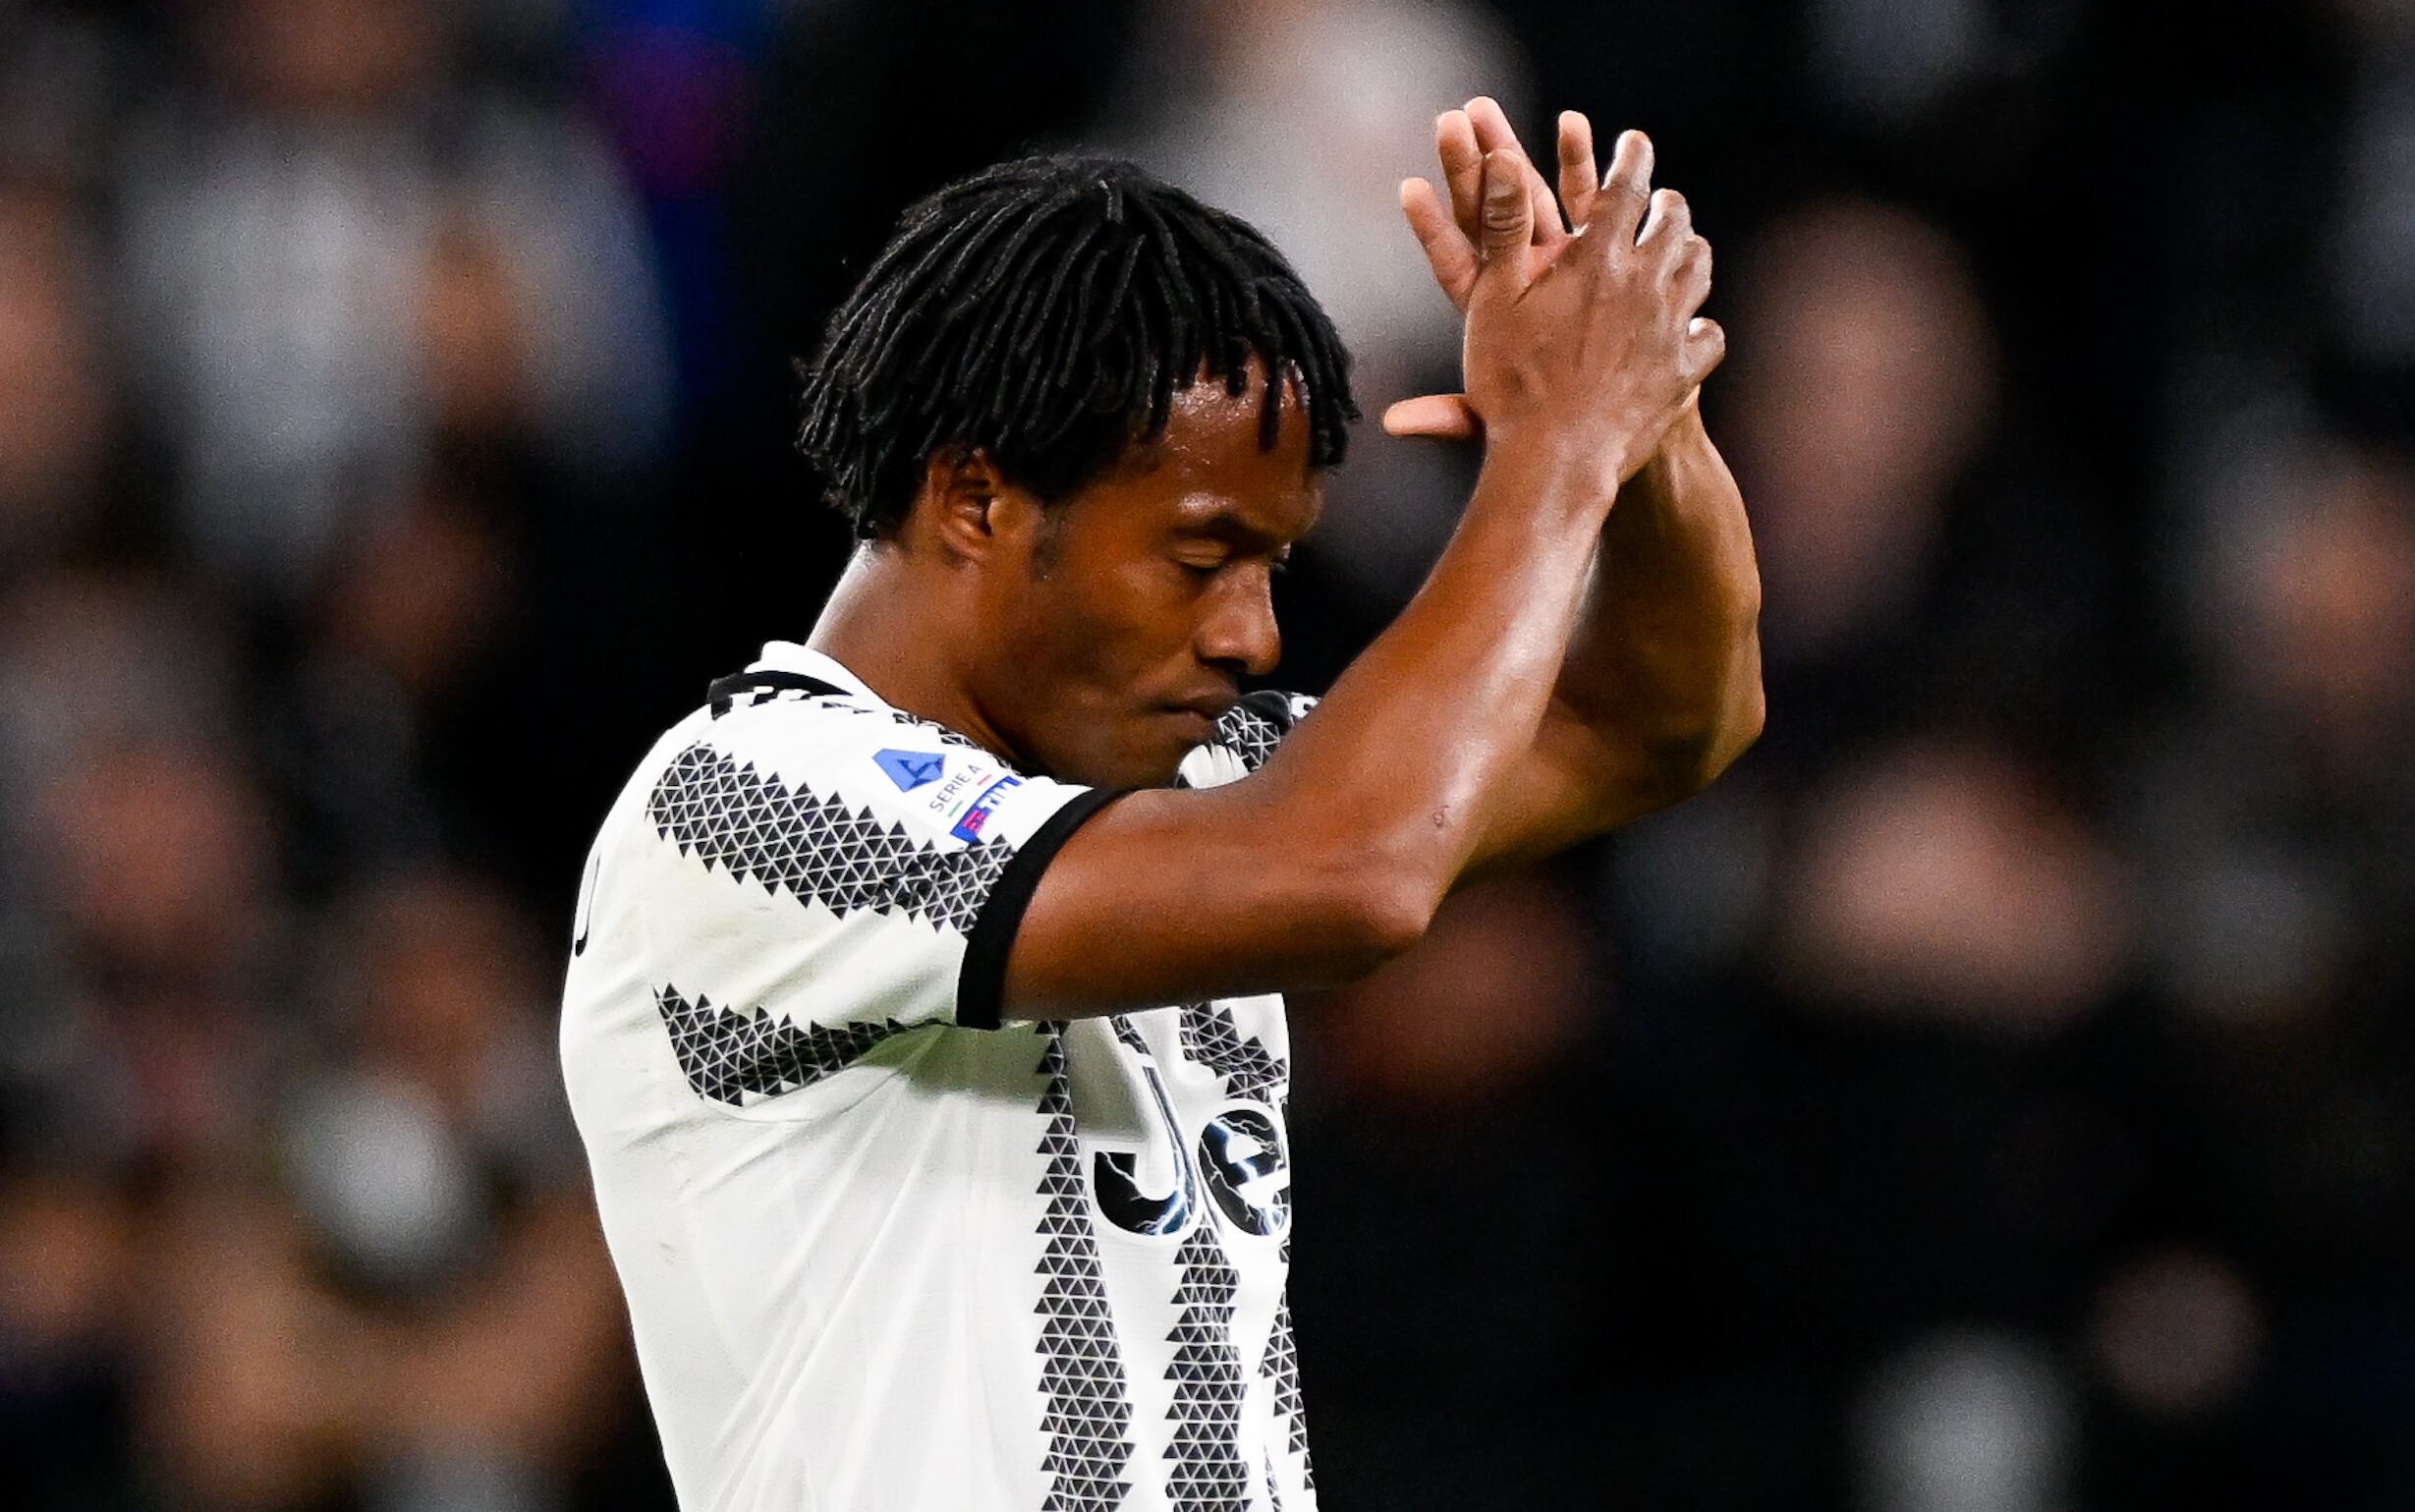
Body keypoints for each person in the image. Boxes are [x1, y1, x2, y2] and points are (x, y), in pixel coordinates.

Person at [558, 99, 1763, 1510]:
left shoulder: (1201, 793)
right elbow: (1358, 872)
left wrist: (1638, 416)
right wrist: (1554, 452)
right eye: (1202, 555)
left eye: (1273, 567)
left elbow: (1660, 719)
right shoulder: (747, 804)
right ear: (975, 500)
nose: (1253, 634)